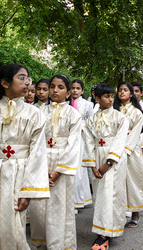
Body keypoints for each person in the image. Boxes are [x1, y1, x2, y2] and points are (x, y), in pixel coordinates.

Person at [0, 64, 50, 250]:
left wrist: (28, 191)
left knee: (13, 225)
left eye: (28, 78)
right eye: (21, 78)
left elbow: (37, 153)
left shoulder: (34, 114)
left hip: (19, 174)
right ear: (5, 83)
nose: (27, 82)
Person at [30, 74, 81, 250]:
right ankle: (42, 243)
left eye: (60, 87)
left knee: (60, 208)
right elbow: (34, 142)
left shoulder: (74, 115)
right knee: (39, 209)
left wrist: (58, 171)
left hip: (62, 167)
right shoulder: (38, 112)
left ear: (68, 93)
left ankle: (60, 244)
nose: (54, 90)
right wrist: (41, 168)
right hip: (41, 163)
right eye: (52, 86)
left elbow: (73, 144)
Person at [83, 83, 129, 250]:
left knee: (111, 195)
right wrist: (93, 165)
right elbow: (88, 143)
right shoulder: (91, 120)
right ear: (97, 98)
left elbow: (120, 140)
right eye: (106, 96)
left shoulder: (120, 117)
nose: (111, 99)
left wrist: (108, 162)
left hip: (113, 161)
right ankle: (102, 230)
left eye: (112, 96)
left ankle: (105, 234)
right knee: (100, 196)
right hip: (97, 159)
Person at [114, 82, 143, 228]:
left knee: (134, 181)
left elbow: (135, 134)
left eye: (125, 90)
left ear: (131, 94)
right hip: (115, 150)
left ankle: (135, 213)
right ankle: (118, 215)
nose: (122, 92)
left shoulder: (137, 112)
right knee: (118, 182)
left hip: (131, 151)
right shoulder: (113, 110)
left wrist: (125, 150)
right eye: (120, 90)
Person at [71, 79, 93, 214]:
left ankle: (78, 200)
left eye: (78, 88)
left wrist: (82, 128)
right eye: (72, 88)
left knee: (79, 169)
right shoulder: (66, 102)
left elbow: (91, 122)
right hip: (68, 137)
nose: (75, 91)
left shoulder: (87, 105)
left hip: (80, 137)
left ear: (82, 90)